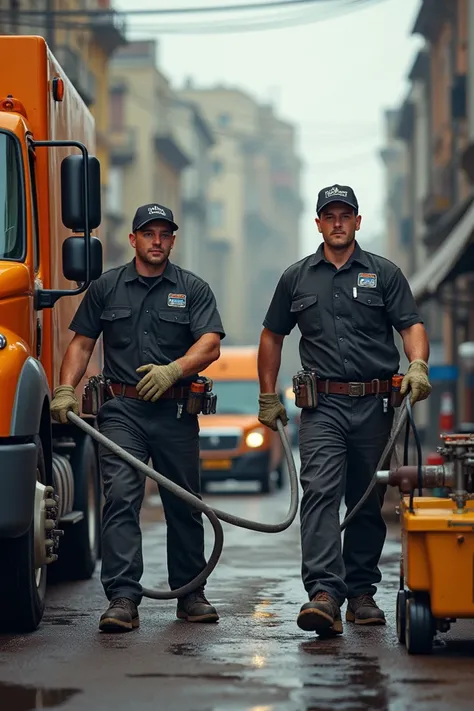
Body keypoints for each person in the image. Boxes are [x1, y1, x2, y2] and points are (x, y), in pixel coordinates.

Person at [257, 184, 431, 637]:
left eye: (345, 215)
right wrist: (267, 394)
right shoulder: (296, 278)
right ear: (317, 223)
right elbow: (272, 336)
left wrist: (417, 365)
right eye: (328, 215)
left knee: (367, 500)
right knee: (319, 494)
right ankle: (324, 594)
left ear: (357, 221)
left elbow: (410, 325)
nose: (337, 222)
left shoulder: (384, 274)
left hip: (375, 405)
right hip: (323, 407)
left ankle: (360, 594)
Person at [50, 203, 225, 633]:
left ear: (172, 240)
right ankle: (124, 598)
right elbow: (81, 344)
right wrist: (66, 388)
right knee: (122, 498)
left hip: (176, 411)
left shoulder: (192, 288)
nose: (157, 241)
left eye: (165, 234)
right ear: (133, 240)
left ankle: (190, 594)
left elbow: (210, 345)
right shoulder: (107, 288)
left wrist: (174, 370)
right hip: (122, 412)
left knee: (183, 504)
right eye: (149, 234)